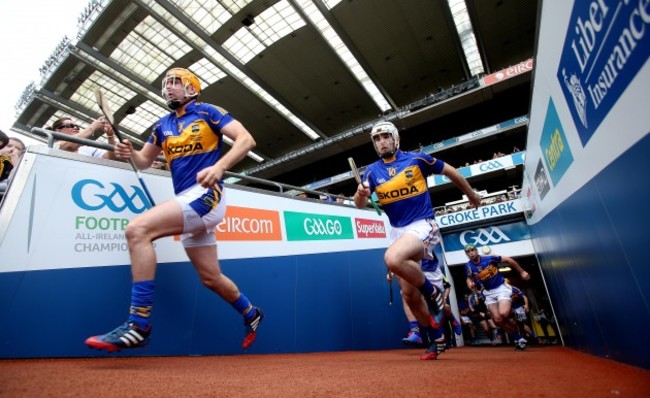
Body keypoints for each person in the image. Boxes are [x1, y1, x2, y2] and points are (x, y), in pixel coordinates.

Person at [85, 67, 263, 352]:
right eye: (166, 84)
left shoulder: (208, 112)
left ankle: (138, 324)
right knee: (210, 278)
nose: (168, 88)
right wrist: (127, 152)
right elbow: (143, 161)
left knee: (137, 229)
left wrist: (219, 166)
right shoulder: (161, 126)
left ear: (192, 88)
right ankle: (251, 313)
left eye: (175, 83)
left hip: (207, 195)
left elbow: (246, 140)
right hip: (188, 199)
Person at [353, 121, 481, 360]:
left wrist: (470, 193)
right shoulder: (371, 171)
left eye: (385, 137)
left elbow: (450, 170)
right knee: (409, 296)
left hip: (423, 224)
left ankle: (432, 292)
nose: (381, 142)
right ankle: (436, 337)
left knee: (392, 258)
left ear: (395, 138)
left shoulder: (417, 160)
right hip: (397, 231)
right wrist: (360, 194)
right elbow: (359, 204)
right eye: (376, 139)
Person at [464, 243, 530, 350]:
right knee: (497, 320)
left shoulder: (490, 258)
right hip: (488, 293)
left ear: (476, 251)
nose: (471, 253)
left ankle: (514, 314)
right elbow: (469, 278)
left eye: (472, 250)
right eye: (468, 252)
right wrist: (469, 283)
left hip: (501, 288)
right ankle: (519, 339)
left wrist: (522, 272)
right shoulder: (468, 266)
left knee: (504, 313)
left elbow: (508, 260)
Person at [51, 116, 117, 159]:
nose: (75, 128)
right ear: (58, 130)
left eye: (76, 126)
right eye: (70, 125)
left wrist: (110, 135)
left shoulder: (86, 149)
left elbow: (109, 156)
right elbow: (69, 147)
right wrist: (93, 127)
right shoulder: (52, 144)